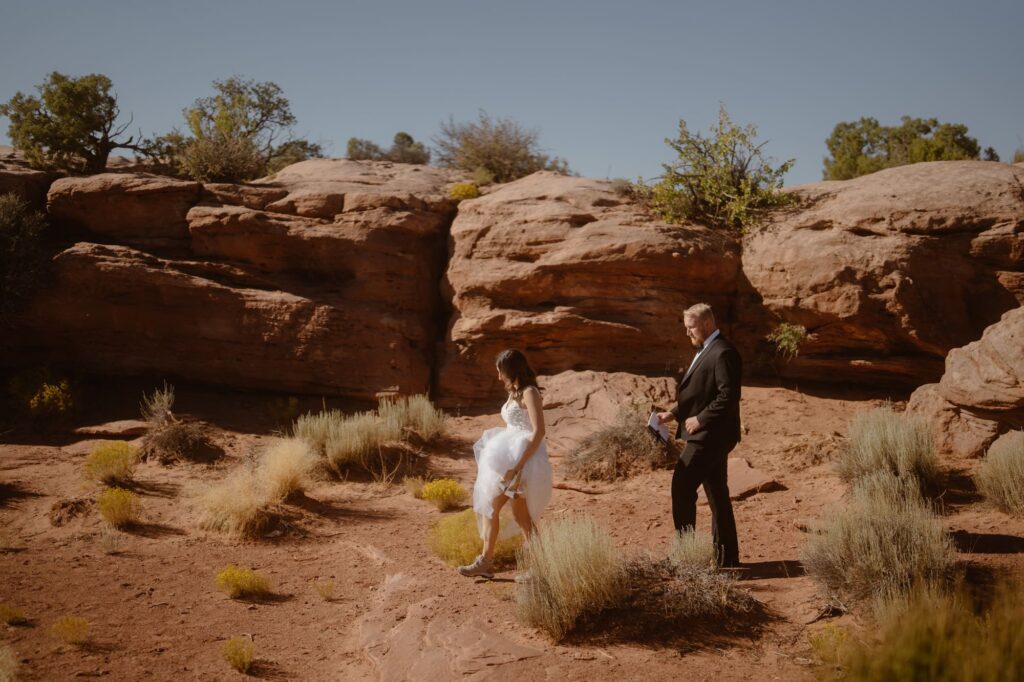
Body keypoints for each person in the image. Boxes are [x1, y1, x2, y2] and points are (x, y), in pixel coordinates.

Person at [657, 303, 741, 567]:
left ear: (706, 324)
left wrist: (701, 419)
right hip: (710, 434)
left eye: (691, 327)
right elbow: (701, 392)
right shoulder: (707, 350)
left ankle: (686, 555)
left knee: (681, 487)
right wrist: (673, 413)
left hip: (709, 435)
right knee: (716, 493)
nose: (687, 333)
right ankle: (727, 558)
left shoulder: (723, 352)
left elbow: (729, 395)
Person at [458, 349, 553, 579]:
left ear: (511, 370)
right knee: (498, 510)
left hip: (523, 462)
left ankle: (536, 567)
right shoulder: (514, 393)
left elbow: (539, 432)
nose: (499, 377)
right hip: (508, 459)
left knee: (515, 515)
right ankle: (486, 561)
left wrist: (518, 467)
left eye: (501, 372)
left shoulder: (530, 393)